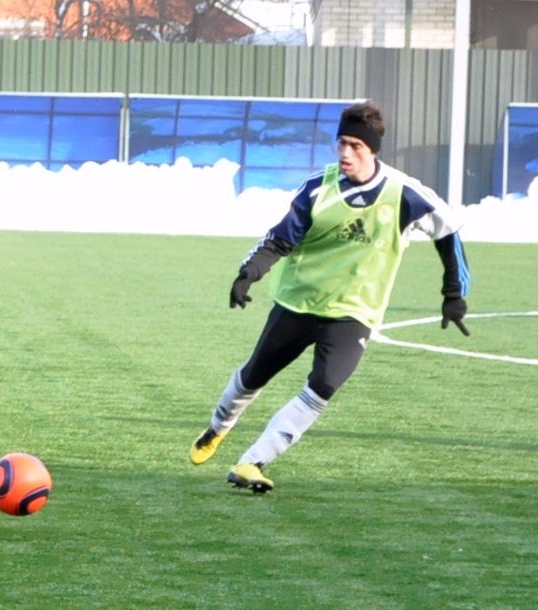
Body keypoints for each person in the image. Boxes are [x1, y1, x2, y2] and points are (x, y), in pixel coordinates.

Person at [190, 100, 472, 493]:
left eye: (356, 146)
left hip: (354, 313)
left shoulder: (405, 194)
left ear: (373, 150)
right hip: (299, 302)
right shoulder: (318, 188)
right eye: (341, 143)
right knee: (255, 374)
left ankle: (252, 462)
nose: (345, 153)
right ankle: (217, 427)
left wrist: (454, 293)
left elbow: (448, 231)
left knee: (323, 386)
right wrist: (249, 273)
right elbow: (280, 238)